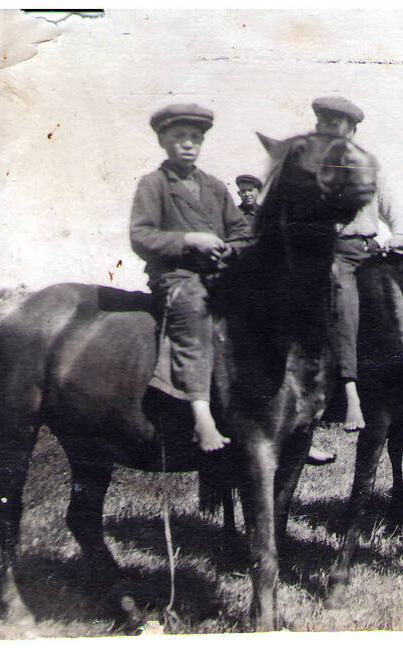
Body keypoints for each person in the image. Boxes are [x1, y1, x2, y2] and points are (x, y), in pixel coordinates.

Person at [130, 103, 250, 452]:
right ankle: (202, 416)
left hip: (219, 274)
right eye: (179, 136)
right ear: (162, 141)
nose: (188, 143)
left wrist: (229, 250)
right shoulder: (153, 184)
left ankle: (270, 414)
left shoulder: (214, 186)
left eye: (195, 137)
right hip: (176, 276)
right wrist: (188, 241)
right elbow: (141, 236)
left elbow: (241, 231)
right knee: (197, 310)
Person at [312, 96, 403, 432]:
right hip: (335, 255)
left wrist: (398, 235)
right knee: (346, 307)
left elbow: (392, 207)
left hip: (372, 252)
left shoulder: (369, 167)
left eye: (336, 126)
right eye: (323, 124)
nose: (329, 132)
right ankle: (350, 394)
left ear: (352, 132)